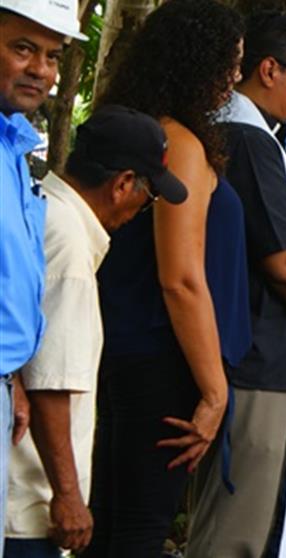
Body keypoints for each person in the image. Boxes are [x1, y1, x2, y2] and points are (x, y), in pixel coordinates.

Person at [88, 1, 248, 555]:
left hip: (132, 350)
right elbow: (180, 276)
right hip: (163, 357)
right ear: (197, 63)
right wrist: (213, 389)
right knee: (137, 526)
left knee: (110, 521)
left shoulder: (145, 126)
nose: (234, 79)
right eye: (230, 64)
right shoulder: (176, 142)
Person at [184, 12, 286, 557]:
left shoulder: (260, 136)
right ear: (268, 69)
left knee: (259, 517)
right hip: (254, 357)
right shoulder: (246, 139)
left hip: (272, 353)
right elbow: (283, 260)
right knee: (236, 527)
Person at [3, 105, 187, 557]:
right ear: (123, 184)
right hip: (29, 505)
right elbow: (51, 382)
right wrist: (67, 496)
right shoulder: (68, 245)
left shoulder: (37, 207)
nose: (144, 208)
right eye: (150, 195)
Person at [0, 2, 85, 548]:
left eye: (52, 56)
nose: (42, 70)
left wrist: (15, 376)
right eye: (23, 48)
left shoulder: (14, 146)